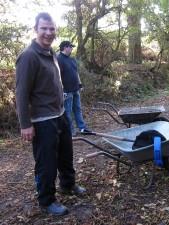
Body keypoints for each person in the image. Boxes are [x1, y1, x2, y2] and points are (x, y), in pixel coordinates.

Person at [15, 12, 86, 216]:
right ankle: (47, 200)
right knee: (46, 162)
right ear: (35, 29)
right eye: (44, 28)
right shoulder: (28, 56)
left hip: (60, 113)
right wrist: (25, 124)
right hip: (42, 120)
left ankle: (68, 184)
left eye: (51, 28)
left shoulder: (51, 52)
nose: (48, 32)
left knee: (66, 154)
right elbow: (21, 92)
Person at [57, 41, 91, 136]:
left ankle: (82, 128)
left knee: (78, 109)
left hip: (75, 89)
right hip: (67, 91)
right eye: (70, 47)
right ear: (65, 47)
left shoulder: (72, 59)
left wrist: (80, 84)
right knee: (68, 112)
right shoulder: (58, 59)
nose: (72, 48)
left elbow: (76, 73)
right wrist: (61, 90)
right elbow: (57, 76)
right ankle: (70, 131)